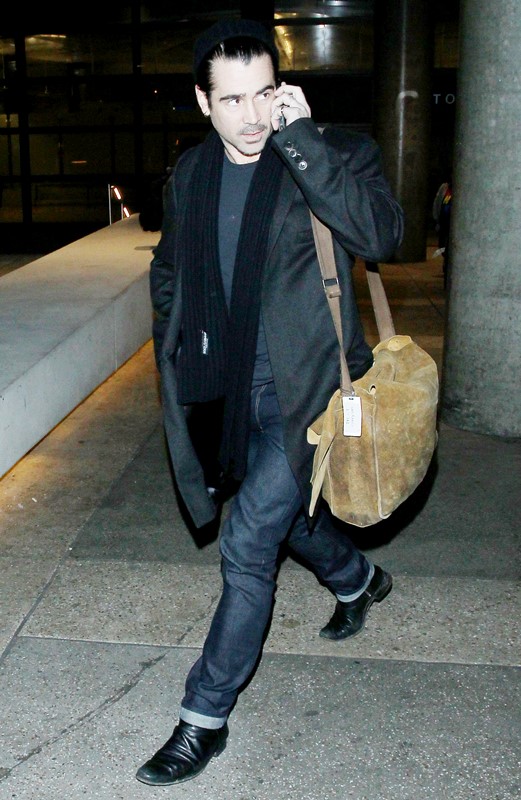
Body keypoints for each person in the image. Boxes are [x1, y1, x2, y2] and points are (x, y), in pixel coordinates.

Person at [136, 18, 404, 787]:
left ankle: (202, 719)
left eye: (264, 94)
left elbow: (380, 235)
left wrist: (303, 140)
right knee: (285, 516)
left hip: (310, 391)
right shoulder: (191, 173)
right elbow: (169, 268)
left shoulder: (327, 151)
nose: (251, 115)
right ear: (202, 102)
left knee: (248, 540)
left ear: (282, 89)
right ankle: (356, 579)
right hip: (223, 388)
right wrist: (175, 342)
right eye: (231, 100)